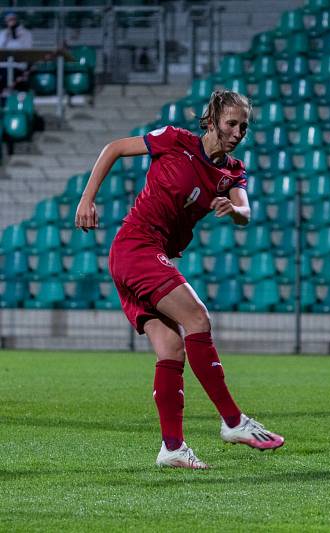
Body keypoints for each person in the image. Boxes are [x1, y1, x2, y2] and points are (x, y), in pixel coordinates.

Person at [75, 90, 284, 469]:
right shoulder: (174, 140)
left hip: (147, 256)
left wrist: (232, 207)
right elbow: (114, 148)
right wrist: (87, 199)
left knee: (171, 349)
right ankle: (234, 421)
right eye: (230, 124)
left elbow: (246, 212)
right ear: (211, 120)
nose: (237, 132)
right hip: (136, 247)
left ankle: (172, 447)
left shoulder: (231, 172)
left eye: (243, 126)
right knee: (197, 317)